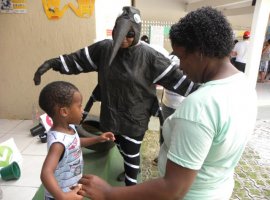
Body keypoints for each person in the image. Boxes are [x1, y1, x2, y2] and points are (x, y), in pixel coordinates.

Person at [77, 7, 257, 200]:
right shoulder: (243, 85)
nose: (179, 65)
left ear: (199, 53)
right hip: (218, 189)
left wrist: (109, 193)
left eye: (180, 57)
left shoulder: (200, 106)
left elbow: (173, 188)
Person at [33, 6, 198, 186]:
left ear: (136, 32)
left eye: (129, 35)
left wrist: (209, 90)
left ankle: (131, 185)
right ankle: (131, 169)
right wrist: (51, 64)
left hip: (135, 118)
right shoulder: (104, 49)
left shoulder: (150, 57)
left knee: (131, 155)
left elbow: (179, 81)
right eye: (120, 33)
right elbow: (76, 60)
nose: (124, 40)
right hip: (111, 114)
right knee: (120, 147)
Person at [39, 81, 115, 200]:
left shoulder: (70, 128)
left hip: (71, 188)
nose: (82, 111)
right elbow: (46, 173)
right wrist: (62, 196)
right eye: (79, 106)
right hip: (61, 194)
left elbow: (76, 143)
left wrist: (98, 138)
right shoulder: (58, 143)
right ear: (64, 112)